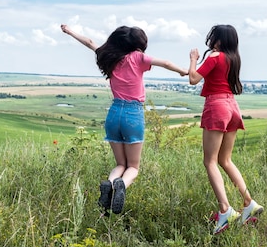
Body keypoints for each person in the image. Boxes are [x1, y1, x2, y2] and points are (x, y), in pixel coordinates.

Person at [61, 24, 187, 215]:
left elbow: (90, 42)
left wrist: (70, 31)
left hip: (113, 114)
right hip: (132, 115)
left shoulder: (109, 56)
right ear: (138, 45)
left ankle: (110, 184)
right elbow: (167, 63)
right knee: (133, 168)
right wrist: (182, 71)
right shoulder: (138, 58)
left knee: (120, 164)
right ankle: (121, 186)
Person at [188, 24, 263, 234]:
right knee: (225, 160)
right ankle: (249, 203)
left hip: (217, 106)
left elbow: (193, 79)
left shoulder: (214, 56)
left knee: (210, 161)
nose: (211, 41)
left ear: (219, 39)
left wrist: (193, 58)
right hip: (232, 107)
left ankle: (225, 210)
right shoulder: (233, 58)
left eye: (213, 37)